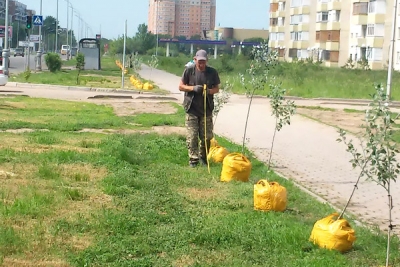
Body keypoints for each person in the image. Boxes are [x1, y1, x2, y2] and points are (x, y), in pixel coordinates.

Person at [179, 49, 221, 167]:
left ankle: (203, 157)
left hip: (206, 110)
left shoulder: (212, 72)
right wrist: (193, 89)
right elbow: (181, 86)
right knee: (192, 136)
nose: (201, 64)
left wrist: (209, 91)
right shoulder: (189, 71)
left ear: (206, 61)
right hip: (191, 109)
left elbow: (217, 89)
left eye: (203, 62)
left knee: (207, 137)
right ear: (195, 59)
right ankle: (193, 159)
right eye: (199, 62)